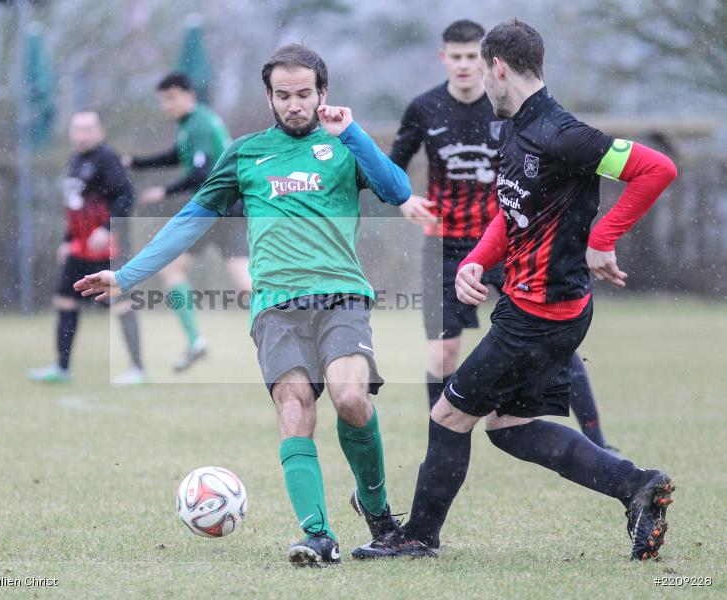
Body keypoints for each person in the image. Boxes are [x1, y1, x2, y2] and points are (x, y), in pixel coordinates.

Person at [352, 20, 677, 561]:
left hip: (539, 315)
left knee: (448, 416)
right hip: (543, 311)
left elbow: (657, 169)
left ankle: (418, 539)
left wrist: (603, 238)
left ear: (498, 68)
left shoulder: (562, 133)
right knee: (509, 426)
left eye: (483, 71)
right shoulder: (513, 129)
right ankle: (636, 486)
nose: (481, 82)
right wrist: (477, 261)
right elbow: (513, 212)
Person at [75, 44, 411, 566]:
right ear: (269, 97)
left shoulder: (344, 145)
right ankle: (319, 536)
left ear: (323, 93)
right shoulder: (247, 154)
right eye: (283, 95)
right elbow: (191, 219)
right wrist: (128, 275)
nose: (294, 104)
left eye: (304, 94)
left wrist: (354, 133)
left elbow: (397, 189)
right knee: (294, 406)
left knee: (350, 399)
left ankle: (377, 510)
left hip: (343, 295)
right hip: (275, 305)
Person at [390, 19, 613, 449]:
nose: (462, 65)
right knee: (442, 355)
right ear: (443, 58)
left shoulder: (509, 109)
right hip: (446, 246)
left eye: (471, 56)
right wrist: (404, 202)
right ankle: (444, 439)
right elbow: (392, 165)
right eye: (453, 56)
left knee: (552, 341)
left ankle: (598, 439)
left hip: (511, 242)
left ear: (492, 63)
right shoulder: (424, 108)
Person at [123, 73, 251, 372]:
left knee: (172, 269)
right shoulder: (194, 123)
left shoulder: (198, 124)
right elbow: (177, 157)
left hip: (215, 209)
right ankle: (287, 325)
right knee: (243, 281)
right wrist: (137, 163)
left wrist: (164, 191)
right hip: (229, 206)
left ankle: (196, 341)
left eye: (170, 98)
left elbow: (201, 173)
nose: (166, 106)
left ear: (187, 95)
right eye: (162, 100)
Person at [29, 111, 145, 385]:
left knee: (120, 306)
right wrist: (66, 240)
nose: (82, 134)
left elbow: (125, 195)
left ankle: (137, 369)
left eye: (88, 129)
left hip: (107, 250)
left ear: (100, 131)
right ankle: (62, 368)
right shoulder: (75, 161)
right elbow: (75, 207)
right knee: (64, 303)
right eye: (78, 129)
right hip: (78, 249)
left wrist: (106, 228)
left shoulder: (107, 159)